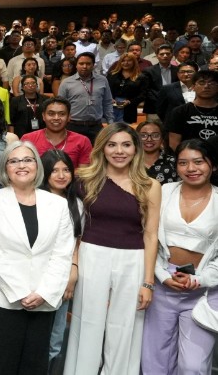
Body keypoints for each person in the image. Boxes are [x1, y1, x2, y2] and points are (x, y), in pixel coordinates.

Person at [63, 123, 162, 375]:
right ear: (102, 148)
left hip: (134, 259)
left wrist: (148, 282)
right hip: (92, 254)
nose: (120, 151)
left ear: (136, 148)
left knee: (125, 326)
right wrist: (74, 265)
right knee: (88, 324)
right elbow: (74, 229)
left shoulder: (150, 185)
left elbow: (151, 235)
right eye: (112, 144)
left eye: (126, 144)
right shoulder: (84, 180)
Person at [0, 141, 74, 375]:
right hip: (0, 300)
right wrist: (20, 292)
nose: (22, 165)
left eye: (28, 160)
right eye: (14, 160)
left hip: (43, 300)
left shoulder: (58, 204)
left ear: (37, 166)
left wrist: (43, 293)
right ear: (5, 168)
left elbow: (62, 253)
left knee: (34, 366)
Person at [139, 139, 218, 374]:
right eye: (183, 163)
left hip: (204, 290)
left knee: (192, 365)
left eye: (198, 162)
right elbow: (147, 235)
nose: (191, 168)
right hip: (161, 284)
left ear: (212, 165)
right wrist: (162, 276)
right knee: (154, 360)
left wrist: (200, 280)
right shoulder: (163, 192)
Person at [40, 150, 84, 367]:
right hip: (36, 276)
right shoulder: (34, 199)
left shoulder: (77, 204)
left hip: (62, 276)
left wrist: (73, 272)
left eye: (66, 169)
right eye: (54, 170)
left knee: (54, 341)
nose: (61, 175)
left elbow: (77, 241)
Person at [57, 52, 113, 144]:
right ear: (76, 65)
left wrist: (110, 122)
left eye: (88, 64)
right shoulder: (66, 82)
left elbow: (107, 102)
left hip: (96, 126)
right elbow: (60, 106)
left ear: (93, 65)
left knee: (97, 155)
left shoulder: (102, 80)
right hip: (74, 126)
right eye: (81, 63)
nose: (84, 66)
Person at [22, 96, 93, 169]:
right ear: (43, 116)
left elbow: (84, 173)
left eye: (62, 114)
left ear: (69, 117)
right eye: (51, 114)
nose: (56, 118)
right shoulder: (28, 139)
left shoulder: (82, 141)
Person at [166, 69, 218, 149]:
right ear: (193, 87)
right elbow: (174, 144)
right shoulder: (180, 111)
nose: (207, 86)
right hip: (189, 158)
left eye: (212, 83)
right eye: (202, 82)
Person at [108, 53, 149, 124]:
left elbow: (143, 94)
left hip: (129, 109)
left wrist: (130, 101)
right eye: (123, 61)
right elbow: (105, 90)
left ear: (134, 62)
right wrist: (109, 98)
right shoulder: (112, 75)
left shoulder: (141, 77)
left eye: (129, 61)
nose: (126, 63)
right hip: (111, 107)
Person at [138, 119, 178, 184]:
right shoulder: (130, 161)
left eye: (155, 135)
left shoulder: (173, 162)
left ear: (162, 139)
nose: (149, 139)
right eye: (143, 135)